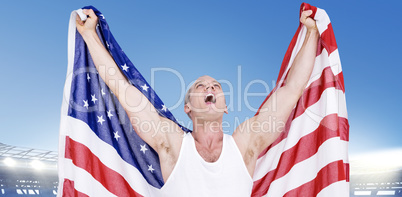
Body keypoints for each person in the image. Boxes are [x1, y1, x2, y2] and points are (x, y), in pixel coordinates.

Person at [76, 8, 318, 196]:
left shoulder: (246, 144)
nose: (210, 87)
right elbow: (122, 89)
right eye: (200, 86)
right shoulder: (171, 141)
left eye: (216, 86)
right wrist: (89, 34)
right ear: (187, 108)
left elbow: (293, 89)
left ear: (225, 106)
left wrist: (311, 33)